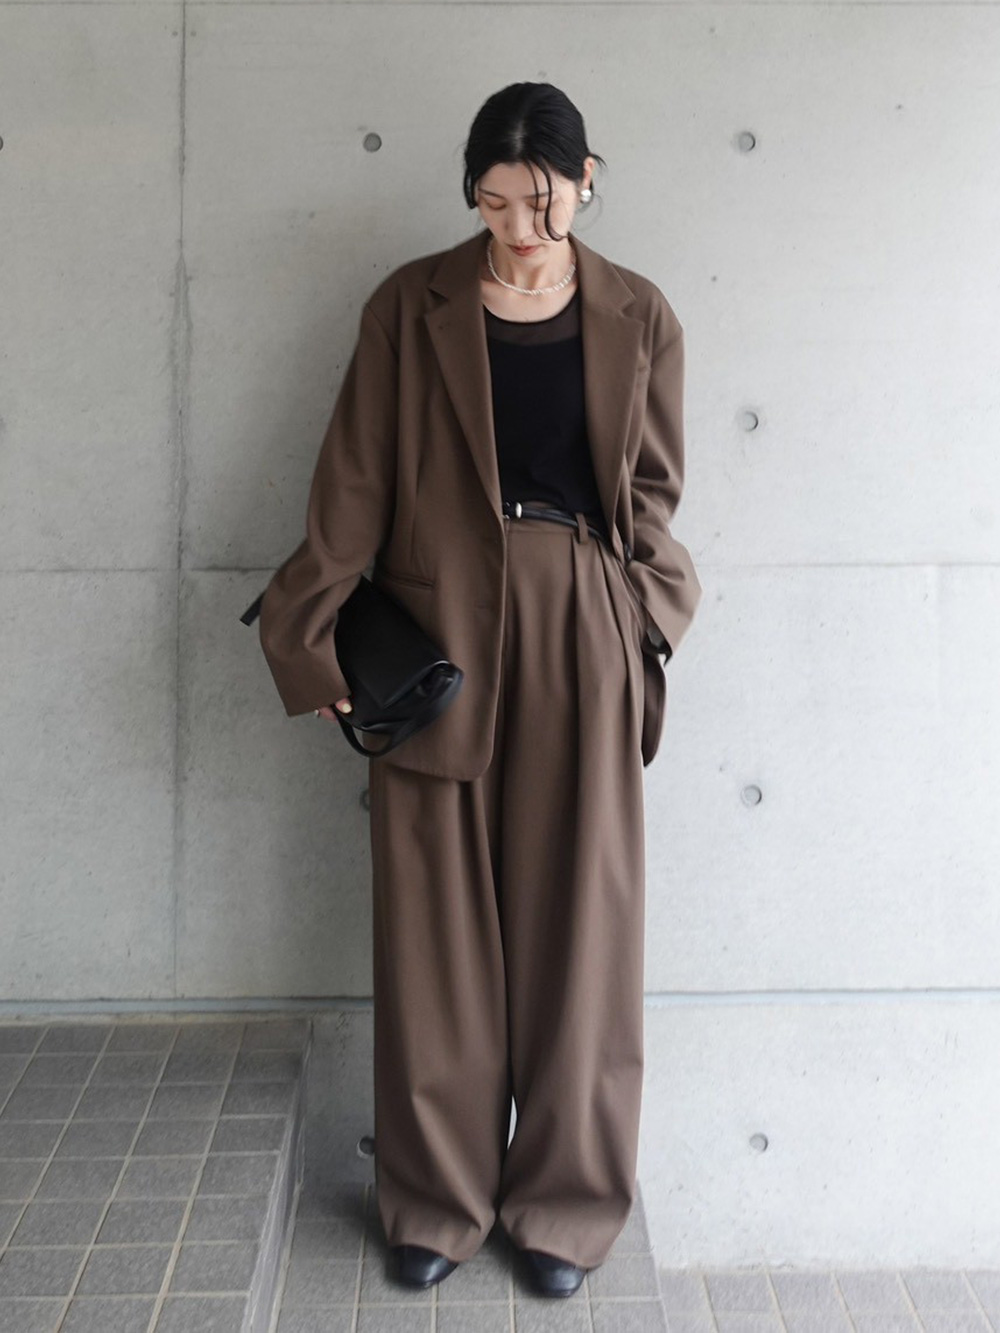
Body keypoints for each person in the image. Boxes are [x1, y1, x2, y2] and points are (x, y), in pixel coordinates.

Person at [256, 82, 702, 1298]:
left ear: (587, 180)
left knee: (581, 929)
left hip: (583, 625)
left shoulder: (639, 313)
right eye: (495, 202)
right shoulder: (411, 304)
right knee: (433, 927)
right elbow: (351, 482)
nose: (518, 227)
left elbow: (652, 493)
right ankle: (435, 1199)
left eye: (542, 202)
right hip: (437, 627)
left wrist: (643, 618)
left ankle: (565, 1202)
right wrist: (315, 643)